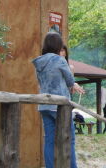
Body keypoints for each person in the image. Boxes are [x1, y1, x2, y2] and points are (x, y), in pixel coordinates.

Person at [33, 31, 85, 168]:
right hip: (59, 106)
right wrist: (73, 84)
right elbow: (70, 80)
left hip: (44, 105)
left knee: (49, 140)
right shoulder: (59, 60)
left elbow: (39, 81)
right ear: (58, 45)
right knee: (70, 139)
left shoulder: (38, 61)